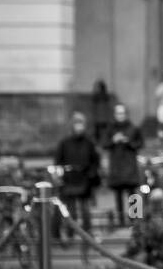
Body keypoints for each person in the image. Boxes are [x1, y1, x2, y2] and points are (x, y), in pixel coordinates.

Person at [54, 112, 100, 244]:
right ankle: (70, 235)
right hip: (69, 181)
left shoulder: (89, 143)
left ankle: (87, 236)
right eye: (77, 124)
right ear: (72, 125)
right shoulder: (64, 143)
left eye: (81, 124)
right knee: (71, 211)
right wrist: (61, 175)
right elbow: (58, 161)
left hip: (84, 181)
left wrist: (91, 173)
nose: (79, 127)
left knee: (85, 211)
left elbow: (95, 161)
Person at [103, 104, 144, 227]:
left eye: (122, 113)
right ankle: (120, 220)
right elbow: (104, 144)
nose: (120, 116)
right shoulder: (110, 129)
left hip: (130, 165)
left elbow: (140, 143)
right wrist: (113, 141)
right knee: (118, 194)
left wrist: (129, 142)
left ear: (126, 115)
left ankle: (135, 219)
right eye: (118, 113)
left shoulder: (133, 128)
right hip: (116, 167)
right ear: (115, 115)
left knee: (133, 193)